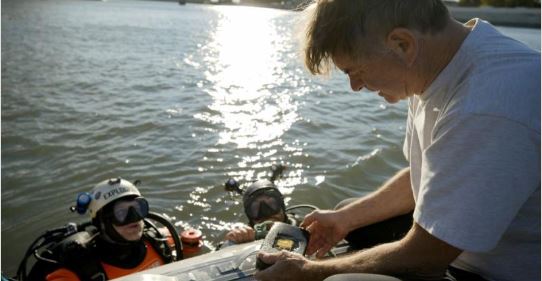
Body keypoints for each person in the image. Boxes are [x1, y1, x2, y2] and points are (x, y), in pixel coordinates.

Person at [255, 1, 540, 281]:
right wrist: (346, 219)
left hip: (490, 272)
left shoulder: (486, 107)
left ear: (402, 44)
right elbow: (430, 175)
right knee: (346, 213)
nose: (355, 87)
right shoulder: (440, 67)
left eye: (355, 70)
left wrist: (308, 272)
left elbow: (426, 258)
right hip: (459, 249)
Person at [26, 178, 180, 281]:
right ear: (102, 222)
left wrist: (191, 245)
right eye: (121, 213)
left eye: (137, 209)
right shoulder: (79, 269)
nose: (134, 219)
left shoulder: (159, 241)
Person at [221, 179, 296, 246]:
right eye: (256, 208)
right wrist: (232, 243)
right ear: (250, 217)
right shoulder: (245, 236)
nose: (266, 212)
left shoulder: (300, 228)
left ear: (282, 207)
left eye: (272, 204)